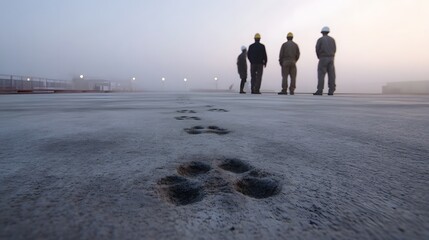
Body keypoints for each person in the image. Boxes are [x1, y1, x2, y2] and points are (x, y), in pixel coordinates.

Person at [314, 26, 336, 95]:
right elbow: (335, 49)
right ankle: (331, 90)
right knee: (331, 75)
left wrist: (319, 56)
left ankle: (320, 90)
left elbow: (317, 49)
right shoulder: (332, 40)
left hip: (323, 58)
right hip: (331, 58)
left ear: (322, 32)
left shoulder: (320, 39)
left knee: (321, 74)